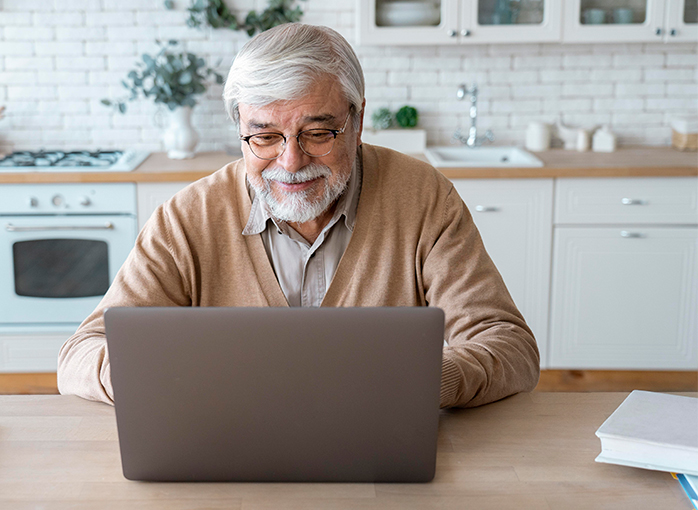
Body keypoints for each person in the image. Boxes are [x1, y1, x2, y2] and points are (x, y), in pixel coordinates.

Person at [58, 23, 539, 409]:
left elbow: (509, 345)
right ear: (240, 128)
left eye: (318, 133)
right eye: (264, 137)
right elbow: (80, 355)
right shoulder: (187, 218)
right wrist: (176, 381)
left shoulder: (423, 196)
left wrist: (433, 381)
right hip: (227, 462)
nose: (290, 162)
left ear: (357, 120)